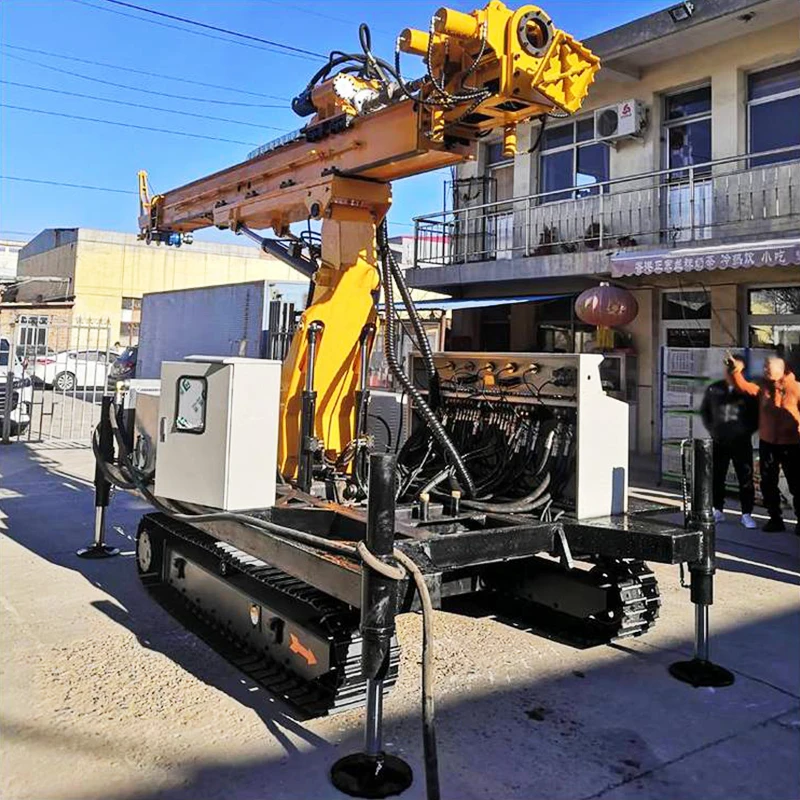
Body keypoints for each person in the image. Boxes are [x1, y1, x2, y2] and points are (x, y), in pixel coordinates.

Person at [727, 355, 800, 534]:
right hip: (768, 442)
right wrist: (735, 370)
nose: (766, 370)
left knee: (797, 483)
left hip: (792, 443)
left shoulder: (796, 388)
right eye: (765, 367)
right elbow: (742, 386)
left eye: (769, 367)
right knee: (768, 483)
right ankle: (775, 518)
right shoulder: (762, 387)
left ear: (782, 369)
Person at [700, 355, 759, 528]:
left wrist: (745, 432)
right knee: (717, 476)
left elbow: (756, 417)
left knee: (745, 478)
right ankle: (717, 509)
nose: (730, 372)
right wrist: (714, 431)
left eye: (735, 369)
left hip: (741, 442)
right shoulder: (715, 389)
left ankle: (747, 514)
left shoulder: (749, 391)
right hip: (720, 441)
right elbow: (705, 412)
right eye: (729, 369)